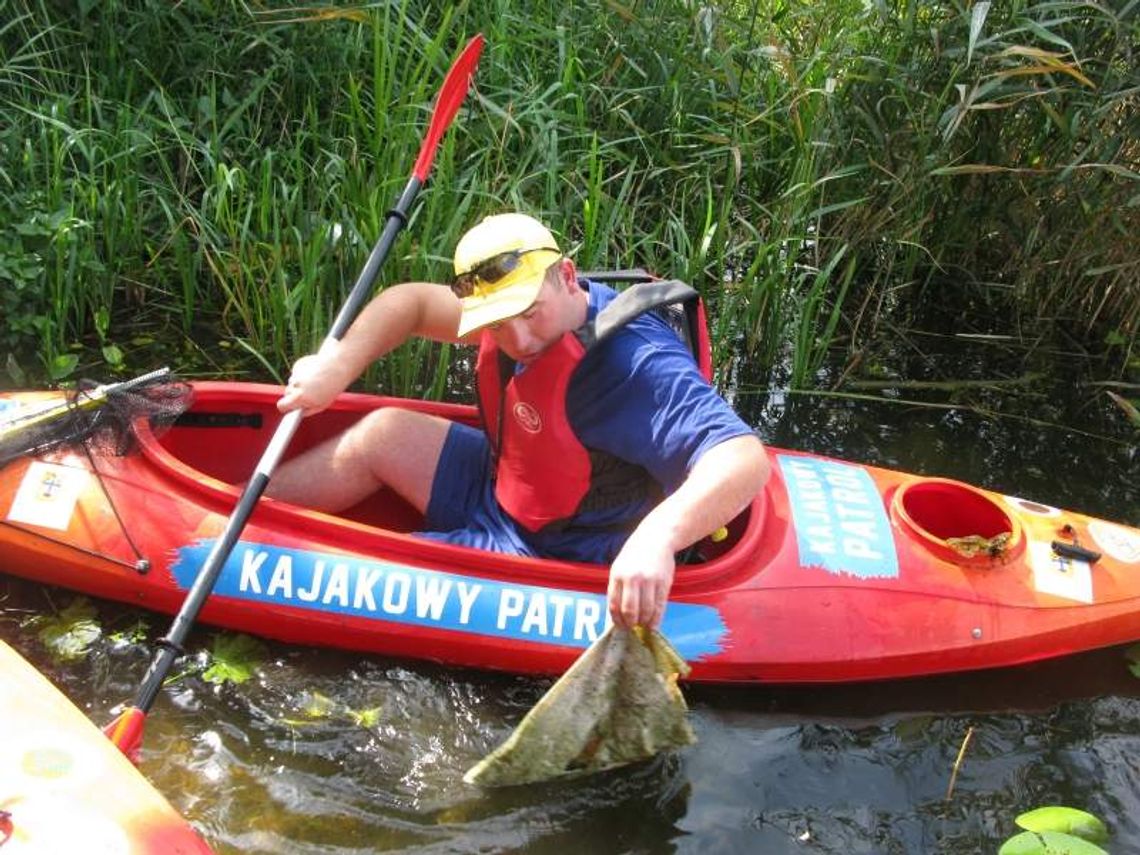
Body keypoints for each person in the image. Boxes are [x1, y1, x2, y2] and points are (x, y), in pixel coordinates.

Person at [269, 212, 770, 629]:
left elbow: (743, 458)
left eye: (530, 313)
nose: (520, 340)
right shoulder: (519, 312)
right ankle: (248, 511)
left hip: (563, 547)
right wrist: (338, 364)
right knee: (383, 433)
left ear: (567, 276)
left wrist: (656, 539)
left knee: (382, 572)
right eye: (497, 324)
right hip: (506, 488)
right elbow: (413, 303)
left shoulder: (635, 362)